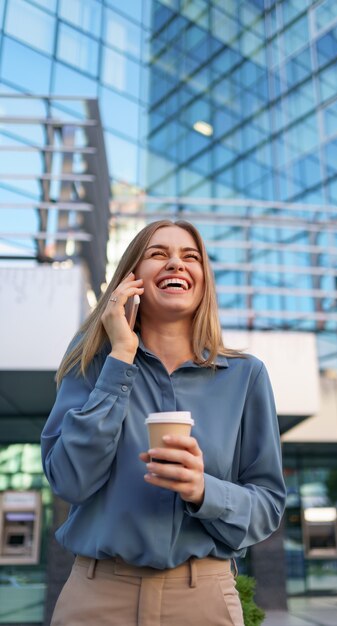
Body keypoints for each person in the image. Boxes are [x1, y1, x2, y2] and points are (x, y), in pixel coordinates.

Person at [41, 219, 286, 626]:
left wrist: (204, 490)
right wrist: (120, 356)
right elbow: (70, 481)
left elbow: (268, 506)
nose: (176, 264)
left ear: (204, 280)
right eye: (158, 254)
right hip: (96, 597)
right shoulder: (93, 363)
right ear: (131, 278)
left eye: (190, 257)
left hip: (203, 599)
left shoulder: (246, 377)